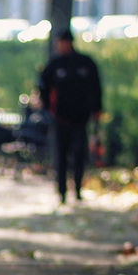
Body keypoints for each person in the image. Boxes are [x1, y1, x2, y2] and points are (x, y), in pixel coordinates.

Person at [38, 28, 103, 203]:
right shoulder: (54, 64)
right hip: (59, 118)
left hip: (81, 118)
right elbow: (42, 86)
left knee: (80, 154)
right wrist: (47, 108)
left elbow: (96, 88)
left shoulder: (86, 63)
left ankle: (79, 188)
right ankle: (62, 191)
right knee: (60, 154)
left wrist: (97, 110)